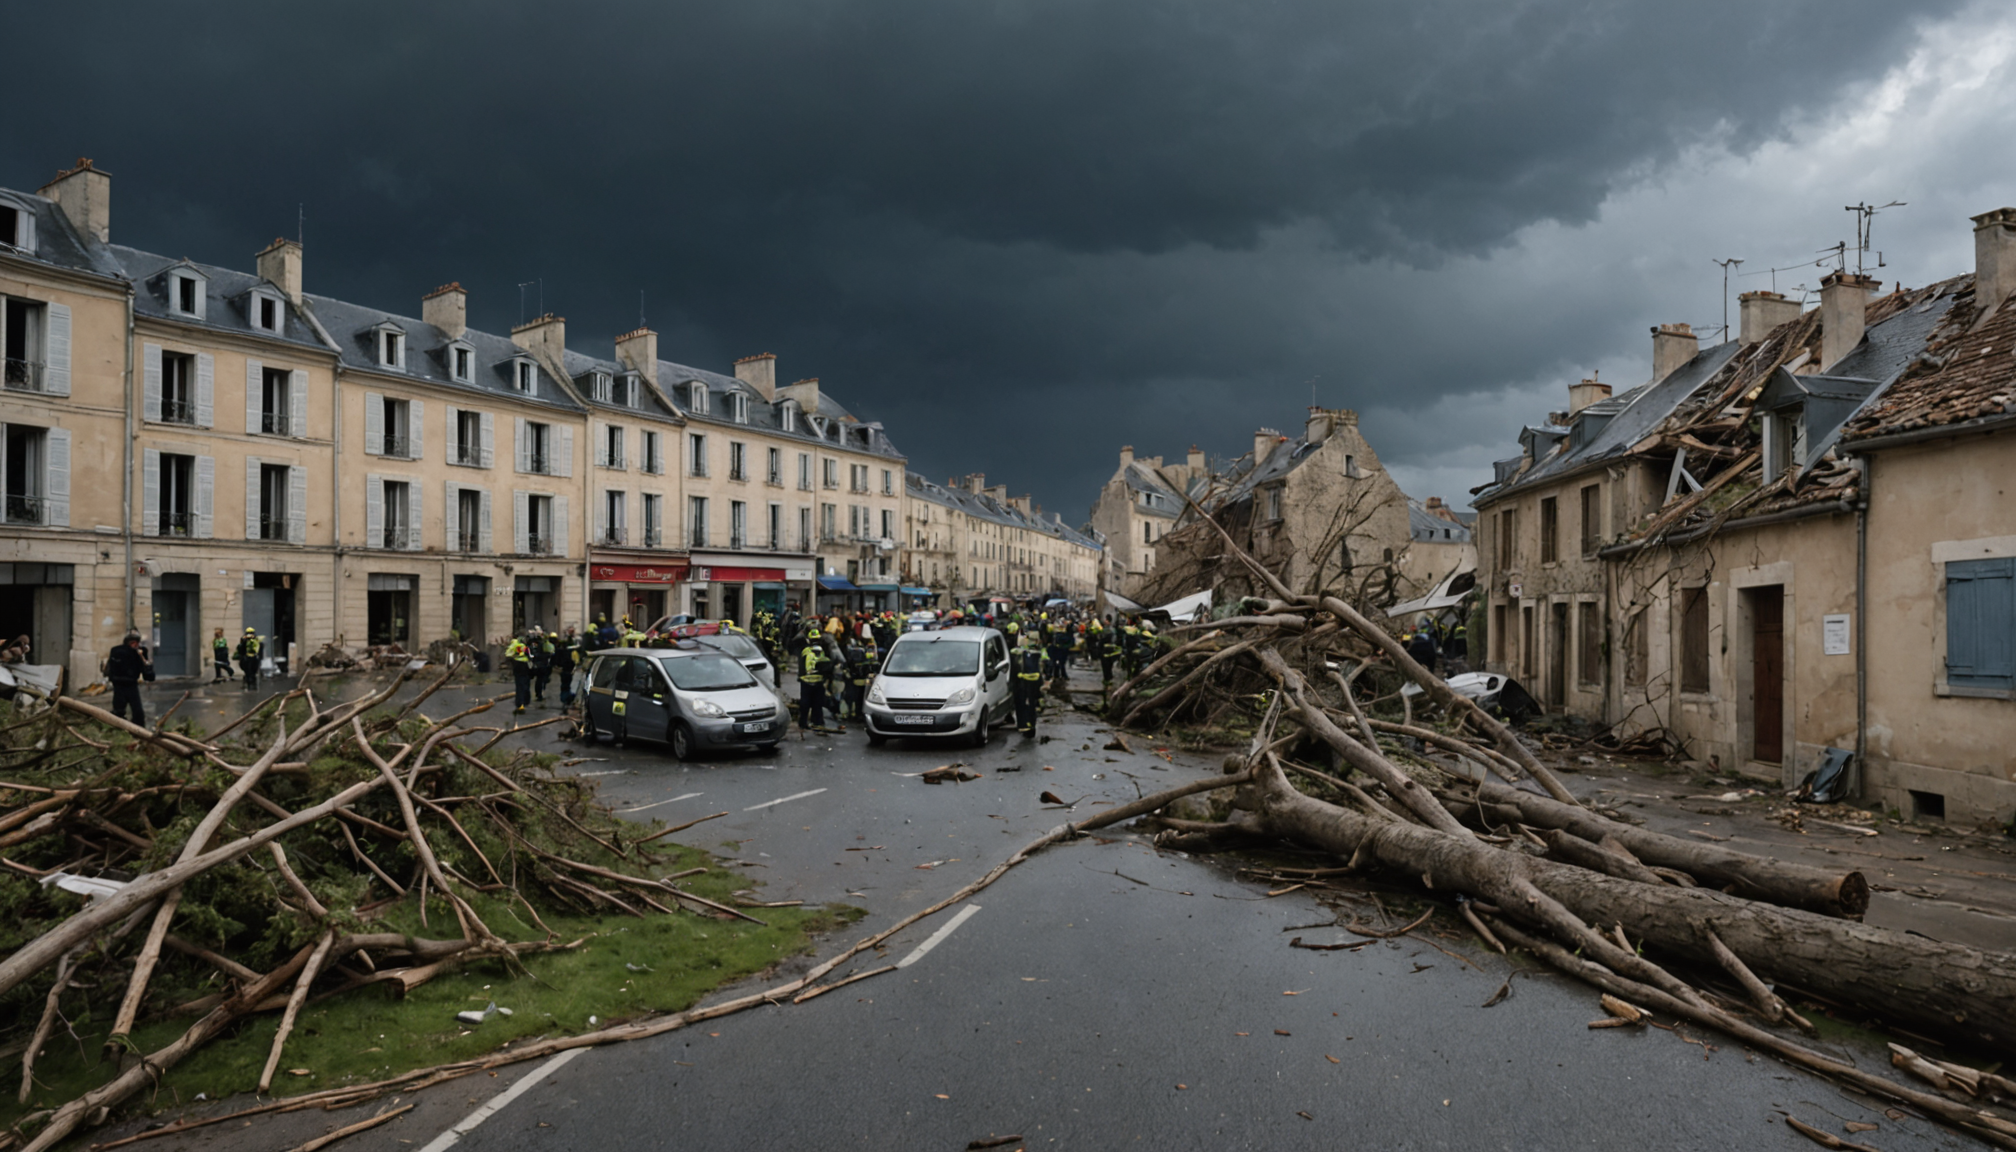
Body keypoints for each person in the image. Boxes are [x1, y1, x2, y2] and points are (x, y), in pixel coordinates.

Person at [104, 631, 155, 724]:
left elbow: (107, 671)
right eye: (134, 642)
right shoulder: (129, 652)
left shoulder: (117, 651)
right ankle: (132, 732)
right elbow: (149, 676)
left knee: (126, 712)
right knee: (129, 713)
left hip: (124, 685)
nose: (136, 645)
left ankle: (129, 731)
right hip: (125, 685)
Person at [1009, 633, 1047, 736]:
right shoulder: (1039, 651)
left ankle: (1025, 726)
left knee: (1023, 704)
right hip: (1033, 682)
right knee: (1031, 704)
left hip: (1023, 682)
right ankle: (1029, 725)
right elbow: (1045, 665)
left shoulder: (1019, 652)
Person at [797, 635, 830, 733]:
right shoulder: (820, 651)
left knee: (807, 704)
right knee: (816, 703)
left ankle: (805, 723)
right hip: (816, 681)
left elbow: (802, 667)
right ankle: (816, 722)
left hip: (807, 681)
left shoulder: (806, 651)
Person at [505, 630, 532, 714]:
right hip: (525, 665)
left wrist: (514, 657)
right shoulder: (524, 646)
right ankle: (526, 700)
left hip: (517, 665)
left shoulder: (514, 645)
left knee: (519, 685)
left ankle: (520, 703)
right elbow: (530, 655)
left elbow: (507, 654)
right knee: (525, 683)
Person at [556, 626, 581, 708]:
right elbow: (576, 661)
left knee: (565, 685)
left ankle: (565, 700)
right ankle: (567, 700)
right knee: (568, 685)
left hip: (565, 670)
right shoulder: (574, 650)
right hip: (569, 670)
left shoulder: (562, 648)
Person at [529, 627, 555, 705]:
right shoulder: (543, 644)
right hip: (542, 664)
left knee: (539, 680)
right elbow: (545, 654)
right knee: (541, 680)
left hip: (537, 664)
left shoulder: (533, 643)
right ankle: (539, 694)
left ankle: (538, 694)